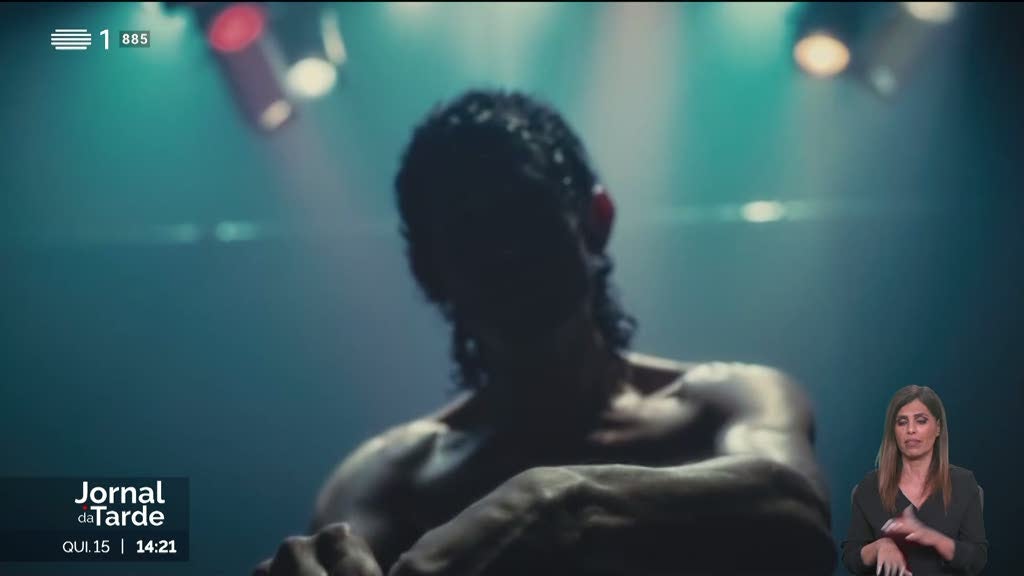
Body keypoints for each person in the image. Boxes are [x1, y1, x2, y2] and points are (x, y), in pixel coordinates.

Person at [254, 90, 835, 576]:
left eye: (524, 211)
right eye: (470, 231)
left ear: (595, 219)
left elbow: (797, 509)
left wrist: (560, 504)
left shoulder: (723, 400)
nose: (505, 252)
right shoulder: (389, 479)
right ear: (430, 271)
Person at [841, 386, 987, 575]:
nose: (911, 430)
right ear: (893, 431)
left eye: (921, 421)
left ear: (938, 427)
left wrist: (933, 538)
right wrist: (879, 546)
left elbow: (977, 559)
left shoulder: (963, 484)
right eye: (902, 422)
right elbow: (850, 557)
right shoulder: (869, 487)